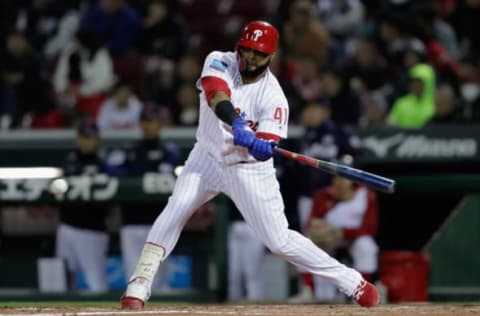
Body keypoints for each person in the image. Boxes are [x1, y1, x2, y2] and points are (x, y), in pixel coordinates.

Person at [120, 20, 379, 309]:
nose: (251, 58)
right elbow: (216, 93)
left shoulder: (274, 97)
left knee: (279, 241)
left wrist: (262, 147)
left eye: (259, 53)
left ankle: (352, 282)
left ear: (271, 56)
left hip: (247, 169)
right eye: (247, 50)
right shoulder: (219, 60)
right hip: (206, 156)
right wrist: (237, 123)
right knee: (176, 208)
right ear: (238, 46)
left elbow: (266, 148)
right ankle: (139, 284)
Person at [110, 104, 180, 291]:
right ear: (140, 124)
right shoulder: (128, 150)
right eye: (146, 122)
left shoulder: (169, 150)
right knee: (133, 277)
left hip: (159, 222)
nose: (149, 126)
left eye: (153, 121)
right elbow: (110, 170)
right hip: (131, 221)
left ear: (160, 124)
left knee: (160, 279)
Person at [297, 158, 380, 303]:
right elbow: (311, 223)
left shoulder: (366, 196)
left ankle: (361, 290)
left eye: (346, 176)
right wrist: (318, 231)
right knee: (302, 244)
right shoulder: (323, 195)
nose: (340, 180)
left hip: (353, 238)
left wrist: (342, 232)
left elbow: (369, 229)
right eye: (338, 175)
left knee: (367, 246)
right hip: (329, 239)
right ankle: (308, 289)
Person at [55, 119, 112, 292]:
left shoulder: (104, 165)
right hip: (67, 227)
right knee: (61, 281)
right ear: (77, 139)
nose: (86, 141)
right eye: (83, 137)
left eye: (90, 137)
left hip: (92, 231)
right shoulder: (68, 162)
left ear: (98, 139)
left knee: (96, 282)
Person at [228, 205, 265, 302]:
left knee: (253, 273)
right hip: (234, 224)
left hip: (254, 225)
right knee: (233, 274)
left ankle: (256, 307)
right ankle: (233, 307)